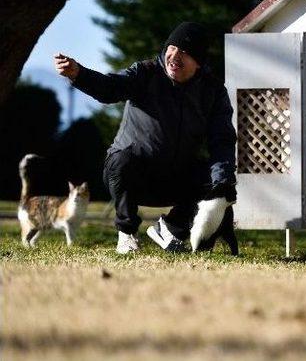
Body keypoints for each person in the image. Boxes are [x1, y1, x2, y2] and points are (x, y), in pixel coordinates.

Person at [54, 22, 238, 254]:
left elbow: (222, 140)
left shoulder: (212, 91)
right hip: (133, 177)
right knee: (120, 161)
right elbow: (110, 88)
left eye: (185, 52)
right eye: (172, 48)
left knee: (214, 178)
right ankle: (127, 234)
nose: (175, 56)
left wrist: (222, 185)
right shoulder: (145, 73)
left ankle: (171, 229)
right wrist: (79, 75)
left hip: (173, 178)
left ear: (198, 62)